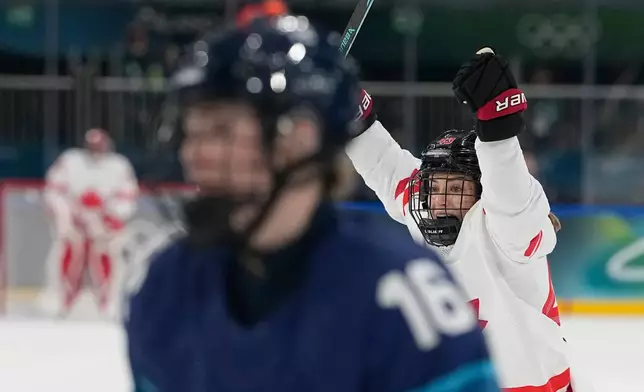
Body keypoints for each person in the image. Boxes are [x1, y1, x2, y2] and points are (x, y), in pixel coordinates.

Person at [125, 16, 499, 392]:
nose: (195, 154)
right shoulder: (167, 287)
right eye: (193, 131)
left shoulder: (406, 300)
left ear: (299, 139)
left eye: (220, 130)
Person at [347, 48, 586, 391]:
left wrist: (498, 128)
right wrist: (347, 107)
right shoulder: (424, 206)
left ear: (480, 191)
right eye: (434, 187)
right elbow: (381, 162)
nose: (441, 200)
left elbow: (510, 196)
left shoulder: (505, 230)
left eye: (457, 187)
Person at [40, 128, 139, 319]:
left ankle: (108, 301)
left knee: (107, 256)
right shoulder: (70, 160)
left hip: (105, 224)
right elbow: (54, 191)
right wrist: (68, 216)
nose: (95, 151)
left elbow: (128, 197)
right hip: (75, 222)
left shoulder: (119, 165)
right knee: (68, 254)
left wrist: (108, 215)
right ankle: (63, 300)